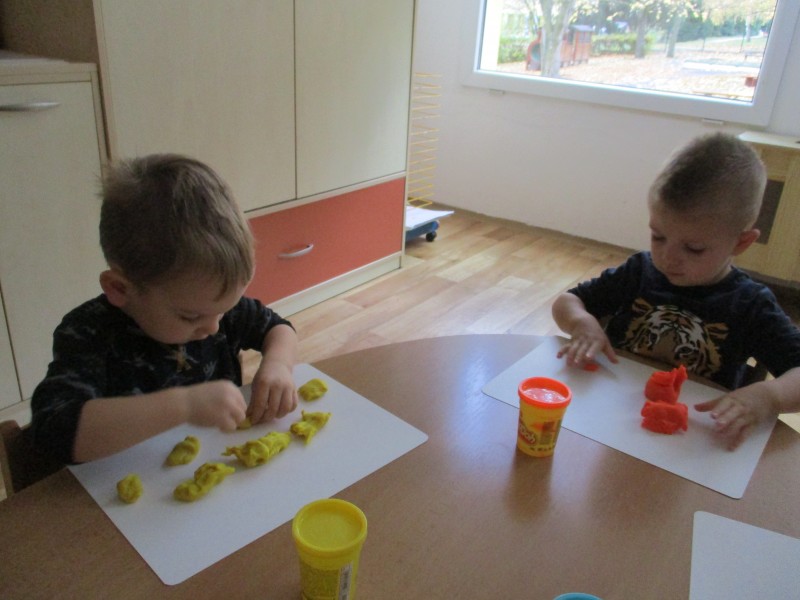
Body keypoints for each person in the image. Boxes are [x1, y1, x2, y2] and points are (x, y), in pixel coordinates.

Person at [30, 154, 299, 464]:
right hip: (127, 481)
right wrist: (184, 406)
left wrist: (278, 364)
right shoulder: (87, 332)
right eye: (190, 316)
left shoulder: (210, 308)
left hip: (214, 464)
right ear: (120, 289)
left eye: (225, 310)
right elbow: (54, 431)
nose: (213, 327)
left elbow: (278, 328)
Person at [551, 132, 800, 450]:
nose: (668, 257)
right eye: (658, 236)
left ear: (741, 243)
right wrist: (581, 322)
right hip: (612, 424)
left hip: (691, 442)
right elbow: (568, 301)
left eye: (693, 248)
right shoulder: (640, 271)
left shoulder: (750, 304)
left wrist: (770, 396)